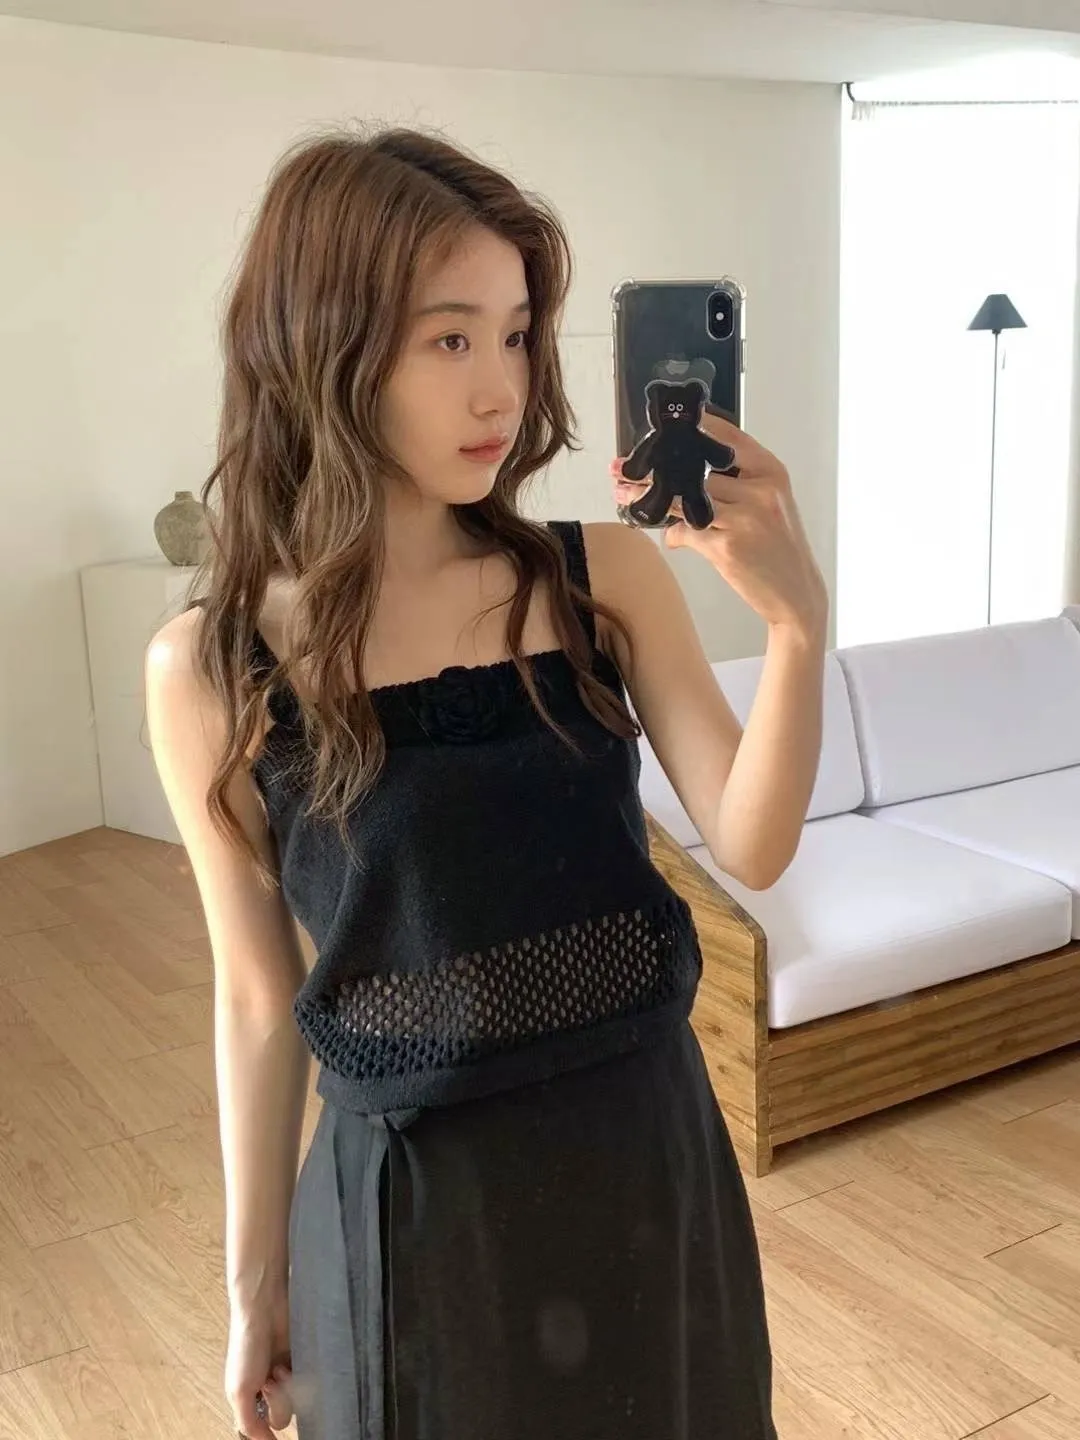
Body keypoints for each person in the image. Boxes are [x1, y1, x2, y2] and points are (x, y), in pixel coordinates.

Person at [145, 123, 827, 1440]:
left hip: (644, 1151)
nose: (499, 390)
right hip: (418, 1210)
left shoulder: (598, 580)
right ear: (324, 347)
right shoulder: (213, 668)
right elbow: (256, 992)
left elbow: (752, 843)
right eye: (448, 339)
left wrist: (796, 627)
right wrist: (253, 1286)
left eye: (516, 336)